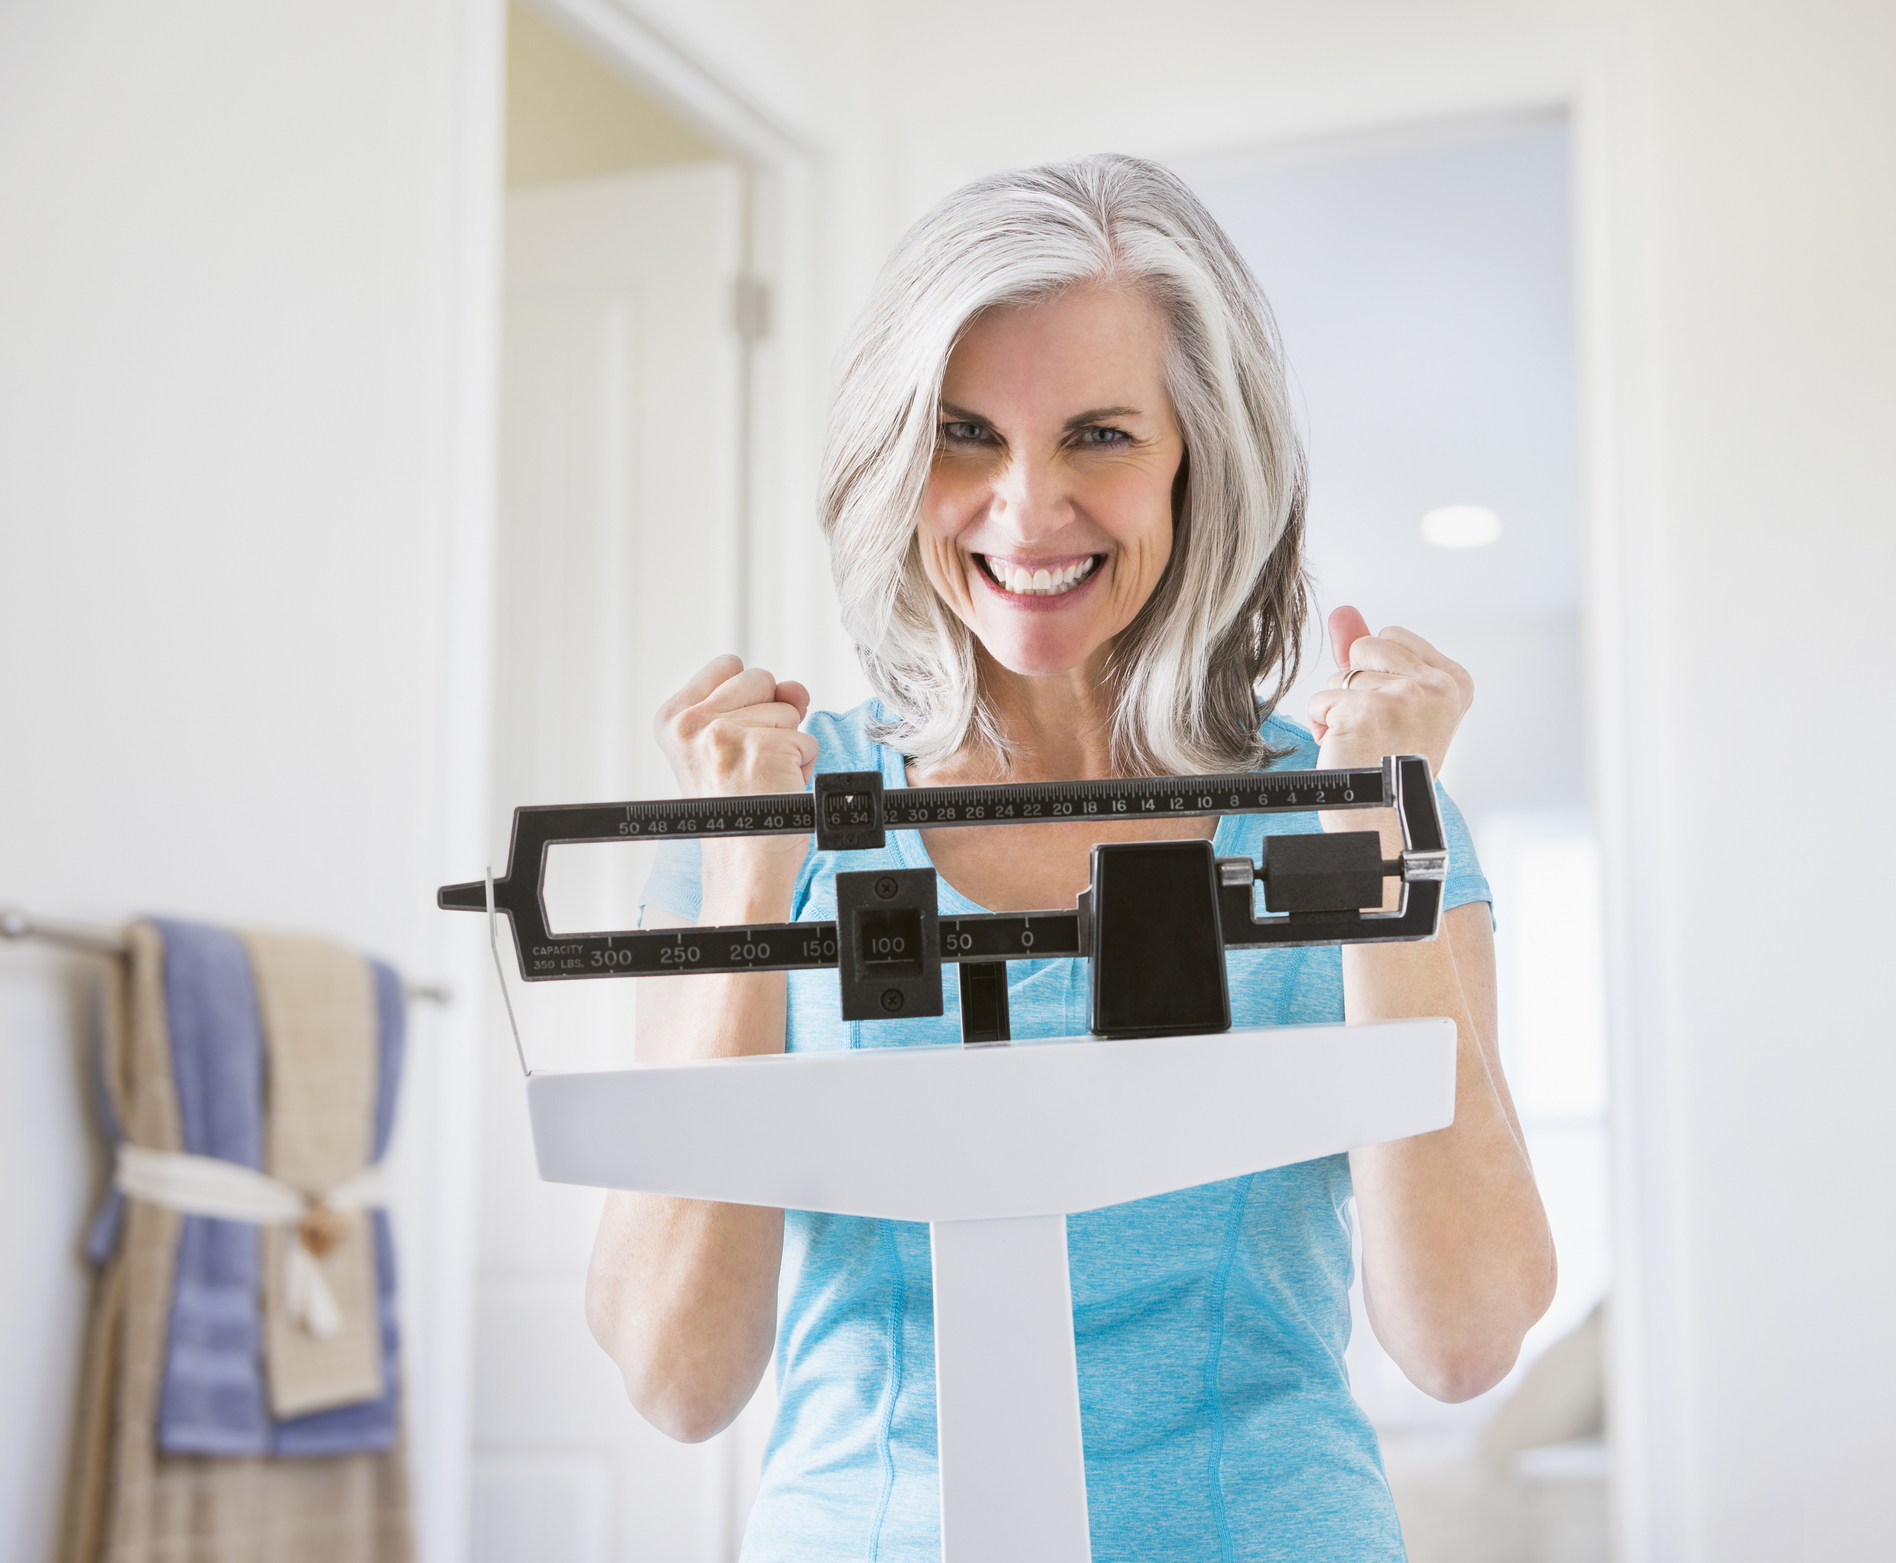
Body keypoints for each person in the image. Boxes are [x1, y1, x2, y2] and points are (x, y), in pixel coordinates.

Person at [586, 154, 1554, 1561]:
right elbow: (678, 1381)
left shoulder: (1354, 810)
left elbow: (1461, 1340)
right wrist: (745, 887)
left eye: (1099, 435)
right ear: (891, 458)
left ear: (1196, 462)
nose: (1027, 510)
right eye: (965, 434)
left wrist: (1377, 851)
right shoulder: (767, 817)